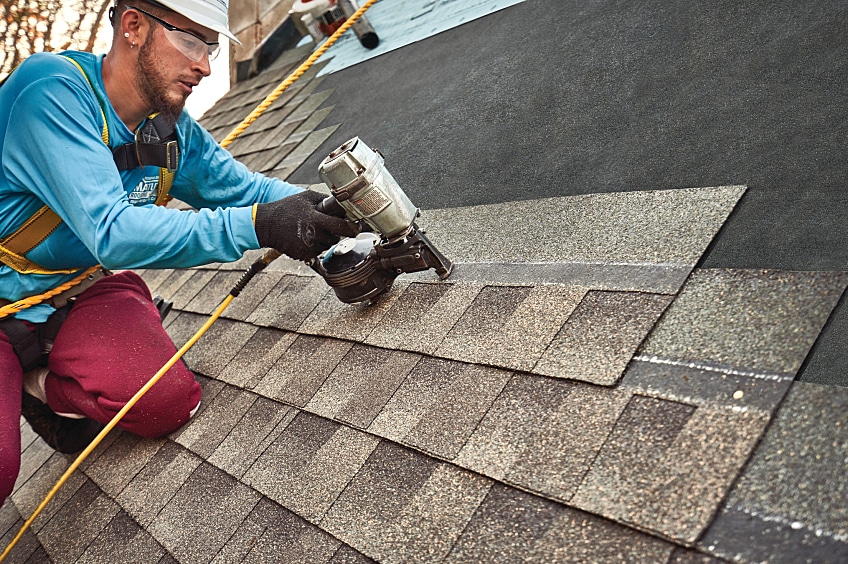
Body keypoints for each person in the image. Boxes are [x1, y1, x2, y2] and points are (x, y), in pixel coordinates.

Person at [0, 0, 356, 503]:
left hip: (74, 291)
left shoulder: (167, 128)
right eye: (191, 41)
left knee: (164, 403)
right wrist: (257, 226)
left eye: (211, 47)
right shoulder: (51, 91)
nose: (205, 66)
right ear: (133, 26)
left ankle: (38, 386)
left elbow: (246, 191)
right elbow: (113, 231)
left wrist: (333, 205)